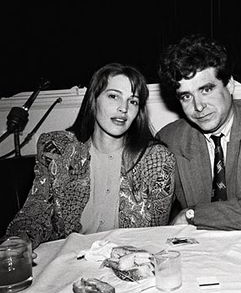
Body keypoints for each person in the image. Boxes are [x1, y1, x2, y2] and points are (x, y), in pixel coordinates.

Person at [6, 63, 176, 249]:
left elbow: (155, 234)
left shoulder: (156, 159)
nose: (123, 108)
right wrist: (20, 241)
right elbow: (35, 212)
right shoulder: (57, 149)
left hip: (129, 260)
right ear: (93, 100)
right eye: (113, 96)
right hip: (67, 261)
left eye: (133, 101)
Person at [156, 34, 241, 230]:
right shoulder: (169, 140)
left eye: (206, 90)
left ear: (229, 84)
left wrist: (192, 215)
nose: (198, 106)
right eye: (186, 96)